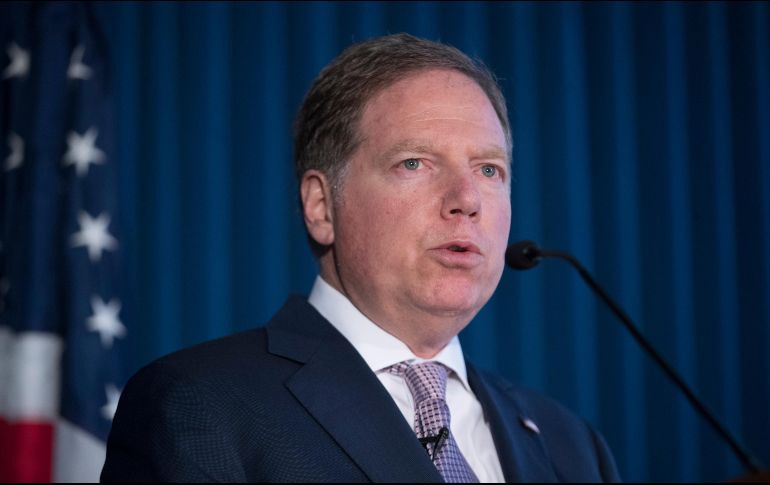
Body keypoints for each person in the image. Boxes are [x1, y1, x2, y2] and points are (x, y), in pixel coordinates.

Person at [101, 33, 621, 483]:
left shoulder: (571, 445)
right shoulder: (201, 407)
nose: (468, 199)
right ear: (322, 206)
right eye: (414, 162)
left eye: (489, 169)